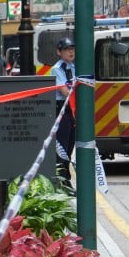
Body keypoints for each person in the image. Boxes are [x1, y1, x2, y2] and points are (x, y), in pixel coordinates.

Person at [53, 37, 77, 188]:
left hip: (72, 110)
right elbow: (64, 92)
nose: (70, 52)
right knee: (62, 147)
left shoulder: (73, 67)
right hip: (62, 109)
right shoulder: (57, 69)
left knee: (70, 146)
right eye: (67, 49)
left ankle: (65, 180)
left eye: (72, 49)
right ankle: (62, 182)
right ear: (59, 52)